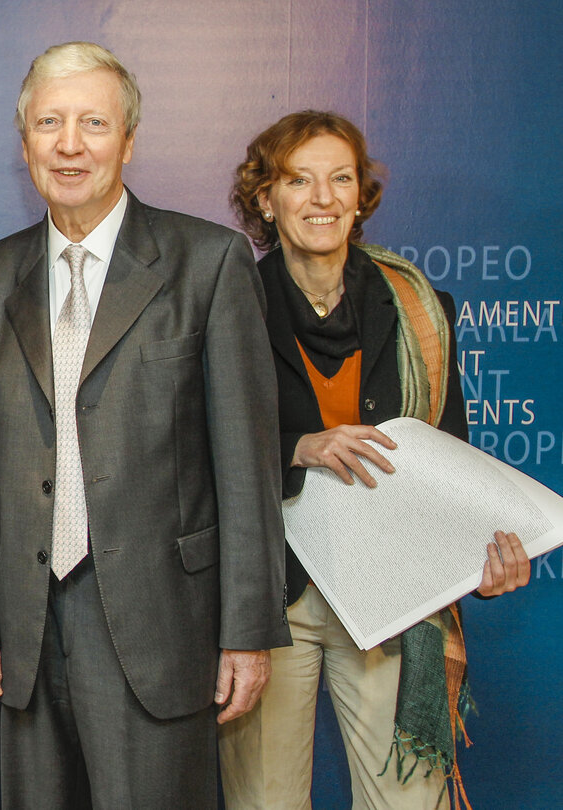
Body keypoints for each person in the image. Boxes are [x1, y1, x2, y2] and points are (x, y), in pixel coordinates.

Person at [0, 42, 290, 808]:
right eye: (49, 123)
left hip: (163, 624)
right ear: (23, 140)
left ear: (127, 140)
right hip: (25, 629)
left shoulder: (207, 264)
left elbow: (245, 464)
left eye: (92, 123)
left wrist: (246, 630)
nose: (69, 144)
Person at [216, 110, 531, 810]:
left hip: (391, 595)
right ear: (264, 199)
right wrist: (296, 448)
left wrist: (481, 564)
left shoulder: (419, 307)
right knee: (264, 801)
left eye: (340, 179)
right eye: (298, 180)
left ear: (361, 196)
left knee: (408, 801)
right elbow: (192, 456)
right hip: (269, 597)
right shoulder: (224, 304)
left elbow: (447, 466)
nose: (321, 198)